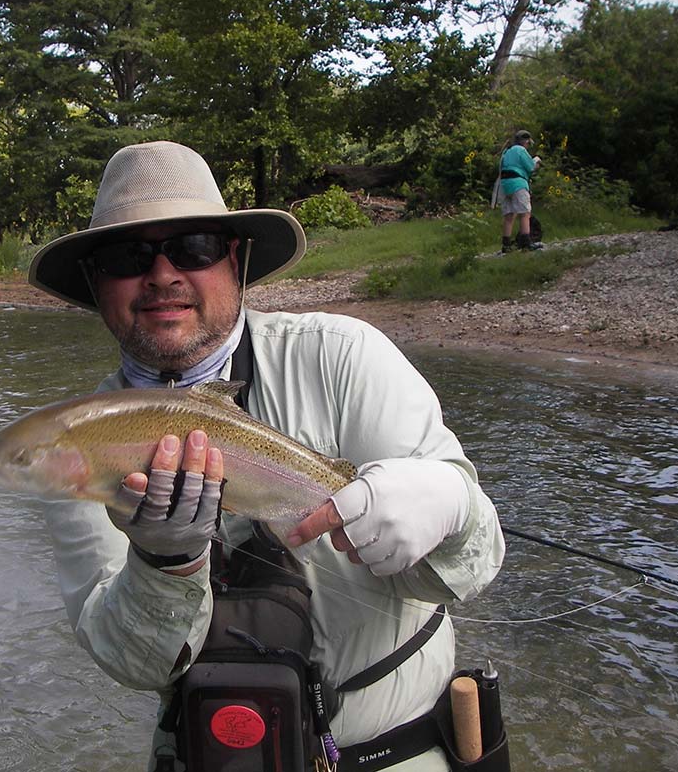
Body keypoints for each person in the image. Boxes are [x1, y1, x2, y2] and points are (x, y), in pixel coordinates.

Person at [27, 141, 505, 771]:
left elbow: (470, 569)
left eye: (193, 246)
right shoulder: (75, 441)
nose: (163, 274)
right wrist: (163, 561)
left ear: (236, 259)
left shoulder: (344, 357)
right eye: (126, 256)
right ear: (96, 281)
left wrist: (452, 507)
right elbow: (135, 663)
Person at [495, 129, 543, 253]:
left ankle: (506, 245)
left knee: (509, 215)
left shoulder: (506, 152)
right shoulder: (521, 150)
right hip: (518, 183)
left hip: (505, 184)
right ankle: (526, 242)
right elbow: (531, 167)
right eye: (528, 143)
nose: (528, 145)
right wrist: (537, 162)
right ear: (526, 141)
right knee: (525, 213)